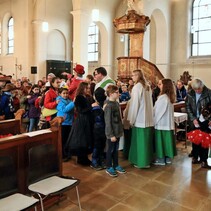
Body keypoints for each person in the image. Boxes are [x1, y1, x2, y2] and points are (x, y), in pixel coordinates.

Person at [127, 69, 154, 168]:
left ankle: (141, 162)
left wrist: (131, 119)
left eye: (134, 75)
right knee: (146, 142)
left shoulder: (137, 87)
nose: (132, 77)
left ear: (138, 76)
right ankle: (147, 161)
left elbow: (135, 105)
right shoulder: (147, 86)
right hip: (148, 118)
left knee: (140, 142)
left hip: (140, 119)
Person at [186, 78, 211, 168]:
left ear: (202, 86)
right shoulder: (190, 93)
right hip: (195, 120)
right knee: (195, 140)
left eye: (199, 89)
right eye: (195, 89)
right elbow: (188, 107)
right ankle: (195, 158)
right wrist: (193, 118)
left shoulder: (209, 93)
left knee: (204, 141)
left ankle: (204, 161)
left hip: (205, 120)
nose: (197, 91)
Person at [66, 82, 93, 165]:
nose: (88, 90)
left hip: (87, 120)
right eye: (87, 88)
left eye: (89, 88)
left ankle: (84, 157)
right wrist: (92, 107)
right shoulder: (79, 97)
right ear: (82, 88)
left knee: (86, 139)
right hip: (81, 120)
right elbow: (81, 110)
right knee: (81, 139)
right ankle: (81, 158)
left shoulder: (87, 97)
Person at [153, 79, 177, 165]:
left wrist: (153, 121)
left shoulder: (162, 98)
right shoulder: (169, 97)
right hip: (167, 124)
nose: (159, 86)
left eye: (160, 84)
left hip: (161, 124)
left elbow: (158, 112)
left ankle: (161, 159)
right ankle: (167, 158)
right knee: (166, 142)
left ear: (165, 86)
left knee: (161, 142)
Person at [104, 85, 126, 177]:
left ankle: (116, 164)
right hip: (112, 133)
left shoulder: (116, 103)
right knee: (110, 150)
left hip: (118, 131)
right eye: (117, 92)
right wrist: (111, 134)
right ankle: (109, 166)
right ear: (111, 94)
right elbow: (108, 121)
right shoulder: (108, 106)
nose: (119, 94)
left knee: (115, 150)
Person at [90, 87, 107, 170]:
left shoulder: (101, 105)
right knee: (97, 145)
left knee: (101, 145)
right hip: (97, 129)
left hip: (101, 128)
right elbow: (98, 119)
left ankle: (100, 160)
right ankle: (94, 161)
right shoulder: (95, 107)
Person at [56, 87, 74, 160]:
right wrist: (73, 103)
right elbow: (64, 109)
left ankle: (67, 153)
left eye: (67, 93)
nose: (66, 95)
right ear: (60, 94)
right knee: (63, 140)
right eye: (64, 93)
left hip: (69, 122)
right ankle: (62, 155)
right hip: (63, 123)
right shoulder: (60, 101)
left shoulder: (69, 100)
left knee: (67, 139)